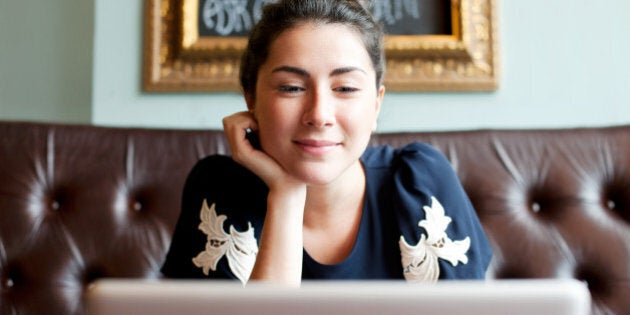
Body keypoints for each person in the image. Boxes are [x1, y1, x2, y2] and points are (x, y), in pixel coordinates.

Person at [161, 0, 492, 286]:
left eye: (345, 88)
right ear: (251, 98)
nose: (319, 115)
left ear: (376, 104)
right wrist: (287, 194)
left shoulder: (421, 180)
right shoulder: (220, 188)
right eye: (291, 87)